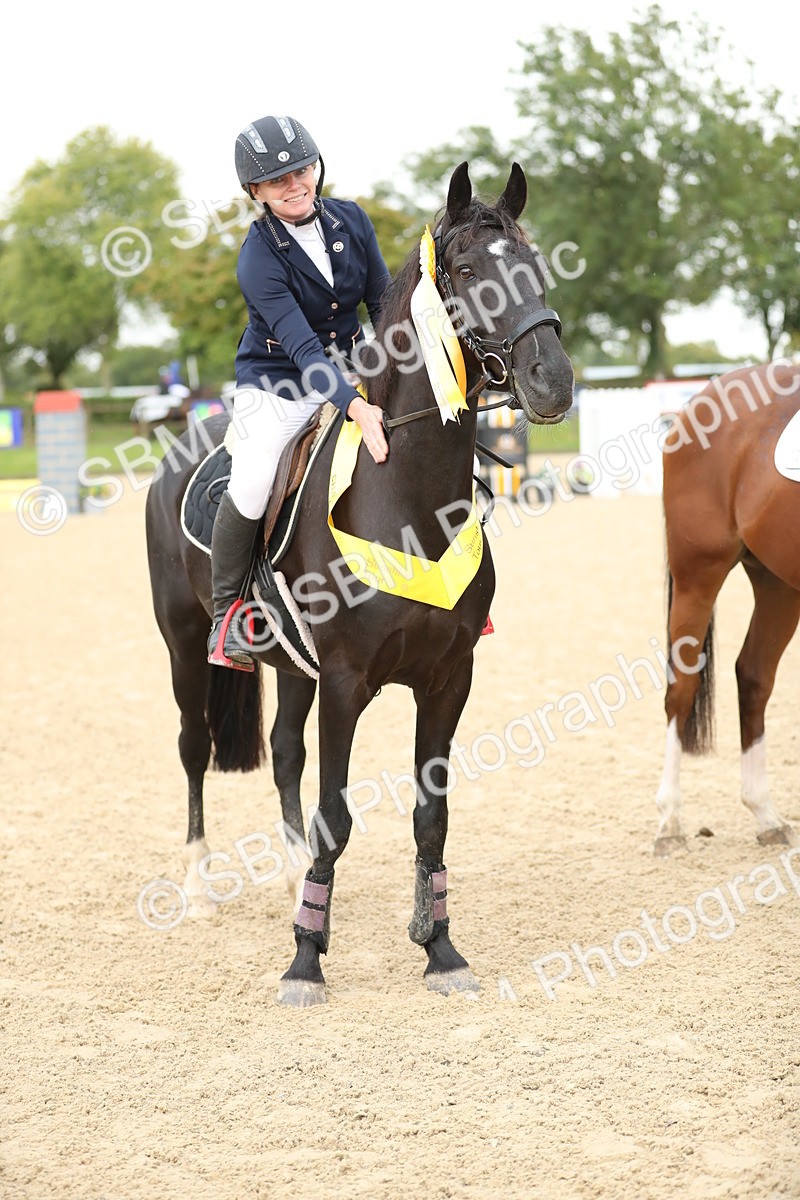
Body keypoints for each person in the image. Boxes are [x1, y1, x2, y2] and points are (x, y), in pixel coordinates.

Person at [208, 114, 392, 671]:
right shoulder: (257, 257)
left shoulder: (353, 220)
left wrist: (394, 371)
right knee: (258, 470)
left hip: (356, 369)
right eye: (278, 179)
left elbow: (383, 305)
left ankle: (452, 578)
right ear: (255, 192)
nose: (296, 184)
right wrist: (356, 406)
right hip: (279, 382)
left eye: (302, 169)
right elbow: (305, 352)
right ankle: (227, 616)